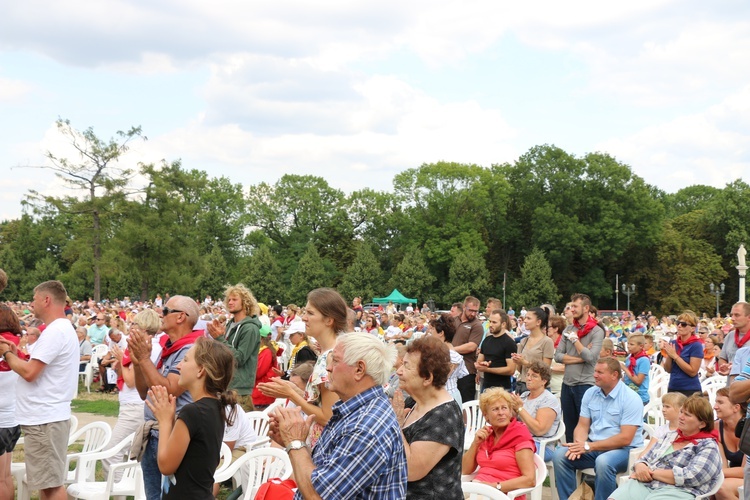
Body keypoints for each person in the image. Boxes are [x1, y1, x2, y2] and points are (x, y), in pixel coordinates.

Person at [271, 333, 407, 499]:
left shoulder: (365, 428)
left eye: (335, 360)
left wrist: (296, 443)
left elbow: (317, 496)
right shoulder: (357, 409)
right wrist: (292, 441)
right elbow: (325, 472)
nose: (328, 368)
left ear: (359, 369)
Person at [0, 280, 79, 500]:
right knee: (48, 484)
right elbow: (38, 367)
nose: (30, 304)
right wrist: (15, 353)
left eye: (34, 299)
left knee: (51, 486)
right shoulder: (61, 329)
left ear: (46, 300)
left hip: (45, 418)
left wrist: (6, 354)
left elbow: (30, 373)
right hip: (47, 416)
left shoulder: (55, 331)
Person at [128, 295, 202, 500]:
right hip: (155, 431)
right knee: (154, 497)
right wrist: (137, 362)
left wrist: (144, 359)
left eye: (166, 311)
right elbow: (146, 393)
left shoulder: (191, 349)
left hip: (172, 434)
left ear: (181, 317)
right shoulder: (170, 347)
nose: (160, 314)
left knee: (171, 497)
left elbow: (170, 390)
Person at [146, 337, 237, 499]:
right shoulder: (216, 406)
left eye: (185, 360)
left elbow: (166, 466)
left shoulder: (192, 412)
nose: (178, 365)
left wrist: (165, 421)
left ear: (201, 370)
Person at [258, 288, 347, 448]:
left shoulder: (331, 356)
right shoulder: (329, 352)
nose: (304, 318)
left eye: (310, 313)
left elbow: (327, 416)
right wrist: (295, 390)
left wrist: (291, 394)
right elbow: (322, 403)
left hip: (324, 445)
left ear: (329, 320)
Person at [552, 357, 644, 500]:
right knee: (560, 455)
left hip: (624, 450)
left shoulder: (631, 398)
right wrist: (579, 445)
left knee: (603, 462)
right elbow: (582, 425)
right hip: (594, 447)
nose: (594, 375)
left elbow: (625, 438)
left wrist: (588, 446)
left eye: (600, 372)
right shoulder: (591, 393)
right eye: (595, 371)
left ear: (614, 375)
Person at [608, 395, 722, 500]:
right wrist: (640, 466)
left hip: (679, 490)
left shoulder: (708, 445)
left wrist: (651, 472)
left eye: (687, 415)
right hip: (646, 484)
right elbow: (645, 458)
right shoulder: (669, 436)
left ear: (702, 424)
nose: (681, 417)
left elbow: (692, 476)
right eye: (681, 412)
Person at [391, 336, 463, 498]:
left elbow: (411, 469)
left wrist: (395, 424)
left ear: (427, 377)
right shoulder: (415, 401)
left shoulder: (443, 416)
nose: (399, 371)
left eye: (406, 366)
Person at [101, 309, 162, 480]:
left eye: (134, 324)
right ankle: (126, 490)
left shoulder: (150, 348)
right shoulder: (150, 346)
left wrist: (121, 358)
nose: (130, 327)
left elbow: (130, 381)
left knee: (110, 453)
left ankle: (117, 492)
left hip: (135, 406)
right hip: (132, 404)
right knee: (130, 452)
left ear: (144, 328)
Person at [461, 387, 536, 498]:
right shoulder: (486, 435)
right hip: (477, 489)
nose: (501, 413)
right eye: (495, 409)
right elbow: (465, 470)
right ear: (486, 416)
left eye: (504, 408)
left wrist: (495, 486)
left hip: (502, 494)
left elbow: (530, 480)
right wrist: (475, 444)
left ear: (510, 412)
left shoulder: (520, 435)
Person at [554, 293, 604, 442]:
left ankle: (585, 461)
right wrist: (581, 356)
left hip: (585, 385)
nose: (572, 309)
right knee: (569, 428)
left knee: (585, 428)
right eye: (571, 306)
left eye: (575, 306)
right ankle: (570, 462)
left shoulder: (597, 331)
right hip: (567, 384)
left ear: (586, 308)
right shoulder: (568, 329)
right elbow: (558, 356)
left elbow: (591, 357)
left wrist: (575, 341)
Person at [206, 284, 262, 411]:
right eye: (229, 300)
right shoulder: (231, 324)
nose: (230, 302)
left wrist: (219, 338)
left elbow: (239, 358)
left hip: (239, 390)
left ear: (245, 302)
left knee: (237, 429)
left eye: (234, 299)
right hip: (227, 386)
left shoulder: (250, 328)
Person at [0, 304, 28, 500]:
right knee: (5, 477)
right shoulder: (17, 344)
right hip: (12, 416)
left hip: (2, 417)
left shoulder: (3, 345)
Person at [511, 361, 562, 461]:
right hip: (521, 439)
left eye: (534, 376)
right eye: (528, 375)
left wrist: (520, 409)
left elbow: (539, 430)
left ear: (544, 381)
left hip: (542, 445)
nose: (529, 378)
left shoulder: (548, 400)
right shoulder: (524, 396)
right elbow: (513, 421)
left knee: (509, 454)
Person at [512, 307, 554, 394]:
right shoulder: (523, 341)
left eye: (528, 318)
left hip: (539, 388)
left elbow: (546, 369)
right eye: (525, 318)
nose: (525, 321)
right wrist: (517, 360)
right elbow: (518, 370)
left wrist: (525, 362)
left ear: (538, 322)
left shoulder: (547, 341)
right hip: (522, 385)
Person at [713, 387, 746, 500]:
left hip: (748, 474)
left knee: (721, 488)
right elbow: (723, 465)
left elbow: (745, 471)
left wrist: (713, 473)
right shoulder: (717, 427)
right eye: (715, 402)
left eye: (720, 402)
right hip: (734, 475)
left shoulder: (748, 429)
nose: (715, 407)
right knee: (711, 488)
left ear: (736, 407)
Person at [429, 313, 467, 406]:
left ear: (441, 333)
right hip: (442, 396)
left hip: (447, 398)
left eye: (432, 329)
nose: (430, 332)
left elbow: (440, 380)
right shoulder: (444, 352)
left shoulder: (452, 356)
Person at [663, 311, 703, 397]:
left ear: (692, 328)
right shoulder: (673, 343)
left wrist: (675, 356)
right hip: (673, 387)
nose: (679, 326)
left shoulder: (696, 345)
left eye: (684, 324)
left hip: (690, 390)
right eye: (678, 323)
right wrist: (669, 356)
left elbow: (693, 371)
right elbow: (668, 369)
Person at [477, 309, 517, 392]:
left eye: (494, 322)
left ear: (503, 324)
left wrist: (487, 369)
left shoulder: (509, 343)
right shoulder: (487, 340)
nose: (490, 325)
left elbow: (511, 370)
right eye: (490, 321)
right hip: (486, 387)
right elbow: (479, 361)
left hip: (502, 389)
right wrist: (482, 364)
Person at [454, 296, 485, 402]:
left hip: (467, 370)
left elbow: (471, 346)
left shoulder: (477, 325)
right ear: (464, 307)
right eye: (470, 310)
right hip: (450, 369)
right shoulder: (454, 320)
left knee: (466, 404)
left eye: (475, 311)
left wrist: (451, 350)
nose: (473, 314)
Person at [638, 392, 686, 458]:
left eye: (667, 407)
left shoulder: (686, 431)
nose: (663, 410)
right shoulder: (661, 430)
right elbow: (647, 450)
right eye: (663, 406)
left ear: (681, 409)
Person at [719, 302, 750, 379]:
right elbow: (722, 358)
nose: (732, 318)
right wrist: (725, 366)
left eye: (737, 315)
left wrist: (736, 367)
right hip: (732, 386)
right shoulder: (730, 335)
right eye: (731, 315)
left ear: (749, 317)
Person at [251, 325, 279, 409]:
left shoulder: (266, 352)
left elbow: (258, 372)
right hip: (259, 391)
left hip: (261, 393)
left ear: (261, 338)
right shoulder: (263, 350)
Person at [620, 334, 650, 405]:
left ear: (641, 346)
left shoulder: (644, 360)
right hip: (628, 394)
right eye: (628, 344)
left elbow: (638, 381)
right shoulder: (630, 357)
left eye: (632, 344)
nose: (628, 346)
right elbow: (627, 377)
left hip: (640, 396)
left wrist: (625, 368)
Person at [546, 315, 566, 395]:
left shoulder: (564, 345)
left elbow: (566, 367)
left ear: (556, 329)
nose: (546, 329)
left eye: (548, 327)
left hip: (559, 388)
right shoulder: (547, 343)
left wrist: (548, 368)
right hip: (547, 387)